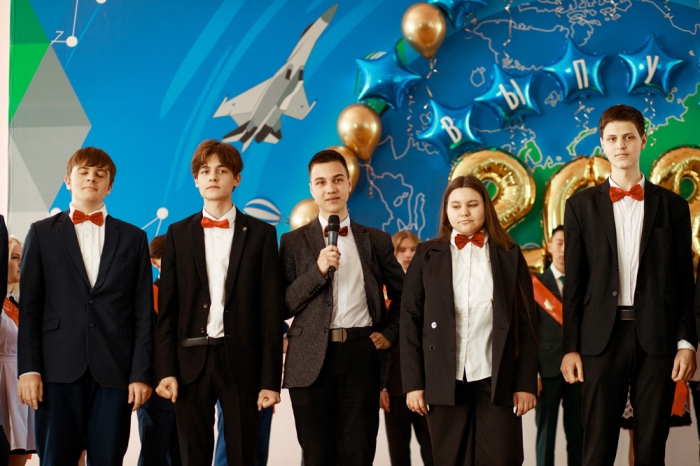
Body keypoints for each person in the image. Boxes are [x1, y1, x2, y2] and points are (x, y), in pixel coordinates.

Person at [561, 104, 697, 465]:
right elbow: (574, 283)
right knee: (597, 448)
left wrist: (686, 343)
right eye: (612, 138)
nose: (620, 145)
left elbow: (685, 281)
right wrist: (570, 347)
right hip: (599, 340)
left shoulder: (673, 206)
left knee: (651, 447)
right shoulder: (579, 206)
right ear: (602, 143)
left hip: (658, 337)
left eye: (628, 137)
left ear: (643, 140)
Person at [17, 147, 154, 465]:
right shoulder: (41, 233)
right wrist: (29, 369)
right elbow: (30, 309)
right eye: (84, 172)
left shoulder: (133, 237)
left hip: (115, 370)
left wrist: (141, 373)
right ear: (68, 180)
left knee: (109, 458)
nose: (91, 178)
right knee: (56, 459)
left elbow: (143, 313)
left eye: (100, 174)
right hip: (55, 370)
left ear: (110, 186)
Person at [154, 139, 285, 466]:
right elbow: (167, 312)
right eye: (204, 171)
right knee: (191, 457)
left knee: (242, 455)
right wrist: (165, 370)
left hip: (241, 361)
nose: (212, 176)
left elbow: (270, 314)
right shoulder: (177, 234)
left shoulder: (262, 234)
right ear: (196, 180)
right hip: (189, 362)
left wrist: (270, 380)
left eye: (222, 170)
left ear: (236, 178)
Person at [401, 174, 538, 466]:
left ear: (485, 207)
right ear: (446, 211)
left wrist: (525, 383)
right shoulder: (426, 254)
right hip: (443, 378)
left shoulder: (509, 254)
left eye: (472, 204)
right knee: (450, 459)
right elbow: (410, 320)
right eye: (456, 206)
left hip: (495, 377)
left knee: (503, 458)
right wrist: (414, 383)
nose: (464, 212)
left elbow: (527, 322)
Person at [279, 149, 404, 466]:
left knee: (359, 453)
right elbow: (281, 305)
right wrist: (317, 271)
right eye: (321, 182)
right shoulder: (292, 242)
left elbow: (406, 297)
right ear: (311, 189)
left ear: (349, 184)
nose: (330, 188)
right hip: (308, 358)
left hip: (361, 354)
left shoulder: (376, 240)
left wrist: (390, 333)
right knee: (317, 455)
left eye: (337, 180)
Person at [382, 231, 433, 466]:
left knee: (433, 451)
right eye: (402, 250)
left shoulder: (432, 285)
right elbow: (378, 344)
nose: (408, 254)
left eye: (413, 249)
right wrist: (381, 386)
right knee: (399, 453)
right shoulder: (381, 292)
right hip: (394, 386)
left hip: (428, 383)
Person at [533, 226, 582, 466]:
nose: (563, 249)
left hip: (578, 372)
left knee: (579, 435)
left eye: (568, 244)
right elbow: (530, 334)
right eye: (559, 243)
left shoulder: (583, 285)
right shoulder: (535, 285)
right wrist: (533, 373)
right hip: (547, 371)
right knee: (546, 436)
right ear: (550, 247)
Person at [213, 321, 289, 466]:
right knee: (231, 446)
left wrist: (268, 384)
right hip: (235, 379)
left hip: (260, 382)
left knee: (257, 448)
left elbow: (274, 331)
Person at [137, 235, 181, 466]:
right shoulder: (148, 295)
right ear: (155, 262)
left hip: (185, 391)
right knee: (153, 456)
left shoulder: (192, 293)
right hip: (155, 391)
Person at [2, 237, 35, 466]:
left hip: (20, 380)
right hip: (2, 378)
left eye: (22, 259)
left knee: (20, 450)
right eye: (14, 258)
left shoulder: (17, 301)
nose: (19, 264)